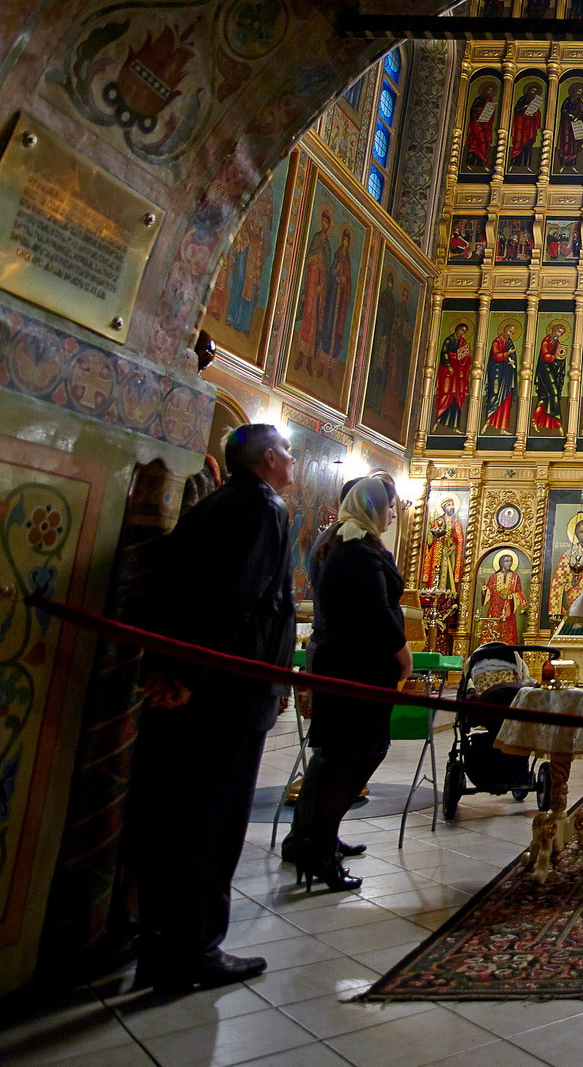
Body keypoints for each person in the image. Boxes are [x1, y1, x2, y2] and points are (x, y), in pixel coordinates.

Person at [128, 423, 296, 992]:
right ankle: (195, 948)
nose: (293, 463)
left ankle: (157, 940)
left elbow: (178, 590)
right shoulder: (264, 509)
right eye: (289, 453)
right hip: (228, 694)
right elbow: (236, 599)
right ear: (270, 459)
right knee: (213, 821)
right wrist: (191, 676)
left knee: (176, 813)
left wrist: (170, 668)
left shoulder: (212, 505)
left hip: (197, 688)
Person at [282, 475, 409, 891]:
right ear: (374, 509)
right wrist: (401, 653)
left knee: (335, 756)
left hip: (340, 661)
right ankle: (317, 851)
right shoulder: (357, 551)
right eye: (390, 506)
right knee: (352, 755)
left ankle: (313, 841)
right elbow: (377, 612)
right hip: (359, 668)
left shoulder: (338, 541)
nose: (393, 514)